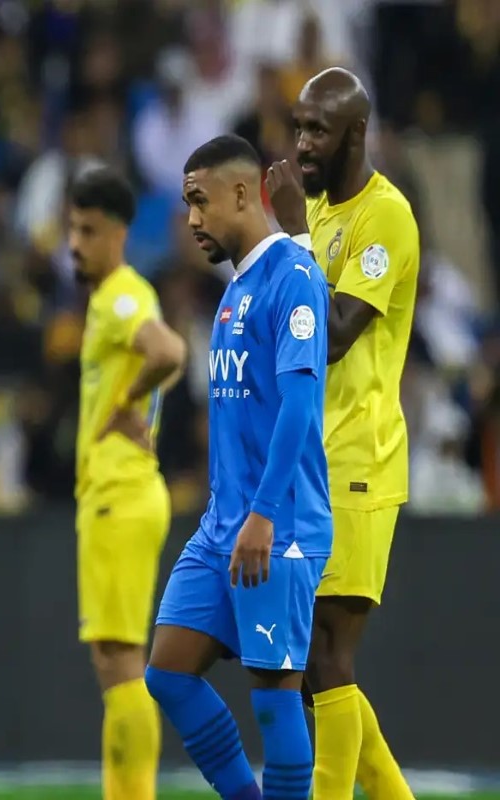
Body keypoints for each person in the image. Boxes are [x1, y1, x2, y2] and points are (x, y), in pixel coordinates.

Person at [145, 134, 331, 800]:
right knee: (167, 674)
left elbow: (300, 407)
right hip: (223, 526)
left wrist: (262, 513)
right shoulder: (234, 291)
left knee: (277, 702)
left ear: (242, 193)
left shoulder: (293, 277)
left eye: (200, 201)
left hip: (274, 527)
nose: (191, 219)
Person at [266, 66, 418, 800]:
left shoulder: (382, 218)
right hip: (311, 461)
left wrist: (293, 229)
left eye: (318, 130)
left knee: (325, 652)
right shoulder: (322, 217)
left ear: (357, 134)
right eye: (298, 127)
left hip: (359, 459)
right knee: (308, 662)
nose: (302, 144)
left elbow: (332, 335)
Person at [67, 163, 185, 800]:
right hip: (121, 495)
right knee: (117, 661)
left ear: (116, 233)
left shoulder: (119, 295)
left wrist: (126, 405)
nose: (74, 244)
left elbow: (169, 351)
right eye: (71, 229)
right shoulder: (116, 296)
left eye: (86, 230)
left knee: (120, 664)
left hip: (120, 493)